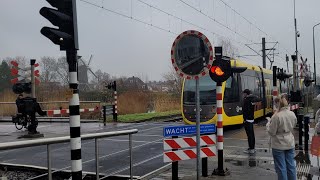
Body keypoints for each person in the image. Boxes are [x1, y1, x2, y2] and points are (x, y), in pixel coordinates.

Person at [267, 94, 297, 180]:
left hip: (278, 144)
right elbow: (294, 125)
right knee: (291, 165)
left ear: (278, 104)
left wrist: (268, 124)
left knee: (281, 167)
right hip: (290, 142)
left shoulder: (277, 116)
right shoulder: (292, 114)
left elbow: (271, 132)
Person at [242, 89, 259, 154]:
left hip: (248, 119)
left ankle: (251, 149)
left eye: (244, 94)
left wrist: (245, 118)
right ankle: (252, 148)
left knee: (249, 135)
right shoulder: (253, 99)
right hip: (251, 118)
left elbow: (246, 110)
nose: (243, 95)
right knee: (251, 134)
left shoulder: (247, 100)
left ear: (246, 94)